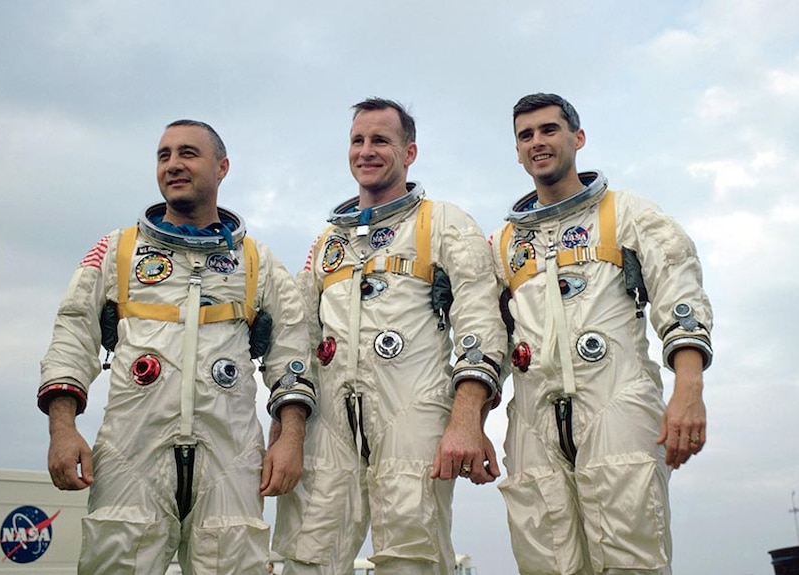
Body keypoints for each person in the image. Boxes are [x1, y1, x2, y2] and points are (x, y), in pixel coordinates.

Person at [39, 119, 316, 574]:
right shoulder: (117, 250)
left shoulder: (256, 261)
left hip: (230, 456)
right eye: (164, 155)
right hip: (131, 451)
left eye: (188, 153)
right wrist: (62, 429)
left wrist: (291, 439)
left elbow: (292, 353)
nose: (173, 165)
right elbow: (72, 334)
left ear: (222, 167)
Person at [272, 98, 506, 575]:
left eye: (380, 140)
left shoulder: (444, 223)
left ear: (410, 151)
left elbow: (480, 323)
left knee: (412, 552)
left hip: (413, 411)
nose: (367, 151)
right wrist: (287, 430)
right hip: (330, 421)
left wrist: (466, 420)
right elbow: (297, 337)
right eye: (358, 141)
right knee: (307, 552)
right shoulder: (328, 242)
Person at [490, 93, 713, 575]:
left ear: (578, 137)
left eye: (549, 130)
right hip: (533, 417)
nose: (537, 142)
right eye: (526, 135)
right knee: (544, 559)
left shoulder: (626, 213)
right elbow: (487, 337)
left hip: (616, 400)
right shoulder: (506, 242)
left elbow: (681, 293)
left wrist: (688, 390)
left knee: (630, 556)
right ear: (517, 150)